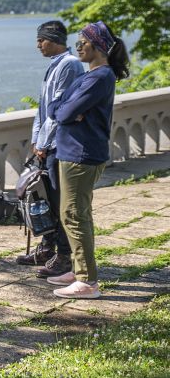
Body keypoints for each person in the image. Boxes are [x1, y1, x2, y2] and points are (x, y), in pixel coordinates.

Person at [45, 22, 130, 299]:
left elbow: (65, 111)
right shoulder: (90, 75)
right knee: (75, 214)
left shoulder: (99, 77)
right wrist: (66, 110)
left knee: (74, 215)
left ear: (97, 46)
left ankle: (87, 282)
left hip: (80, 156)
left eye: (83, 42)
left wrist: (67, 111)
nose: (78, 46)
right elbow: (57, 108)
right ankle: (79, 269)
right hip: (73, 152)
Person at [15, 21, 84, 276]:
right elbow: (42, 109)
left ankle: (64, 257)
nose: (38, 45)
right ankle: (48, 246)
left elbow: (59, 110)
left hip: (58, 145)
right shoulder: (55, 65)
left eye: (41, 40)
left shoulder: (68, 65)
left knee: (58, 202)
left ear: (53, 39)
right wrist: (36, 139)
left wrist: (43, 143)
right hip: (47, 145)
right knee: (42, 198)